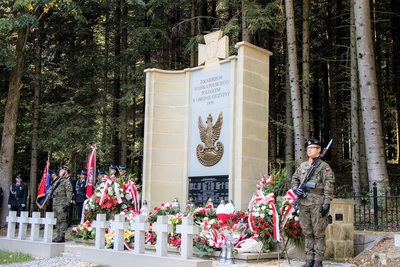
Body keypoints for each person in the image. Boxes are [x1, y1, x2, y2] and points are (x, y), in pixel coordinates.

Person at [291, 138, 335, 267]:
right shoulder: (303, 166)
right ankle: (309, 259)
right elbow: (294, 179)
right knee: (307, 232)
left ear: (319, 150)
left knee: (318, 233)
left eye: (312, 148)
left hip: (317, 203)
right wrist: (296, 189)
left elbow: (329, 185)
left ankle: (318, 261)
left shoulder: (323, 166)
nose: (309, 150)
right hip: (303, 203)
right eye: (308, 148)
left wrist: (326, 203)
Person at [47, 166, 73, 243]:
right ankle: (58, 235)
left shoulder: (67, 182)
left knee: (62, 220)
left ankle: (61, 236)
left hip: (62, 204)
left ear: (66, 173)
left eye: (62, 171)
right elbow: (51, 189)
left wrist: (67, 204)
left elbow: (69, 194)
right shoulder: (57, 181)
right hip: (56, 203)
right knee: (57, 220)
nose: (60, 172)